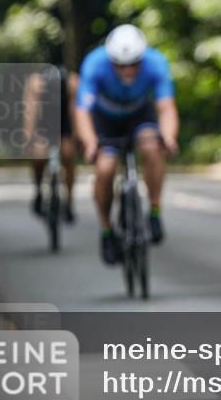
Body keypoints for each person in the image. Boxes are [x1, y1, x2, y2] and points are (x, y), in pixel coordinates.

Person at [74, 25, 179, 265]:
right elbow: (82, 112)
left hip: (139, 116)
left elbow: (166, 107)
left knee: (152, 149)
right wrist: (90, 143)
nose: (128, 70)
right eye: (120, 65)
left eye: (133, 64)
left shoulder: (156, 62)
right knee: (105, 169)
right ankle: (106, 230)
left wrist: (169, 137)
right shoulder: (94, 63)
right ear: (110, 60)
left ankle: (154, 211)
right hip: (104, 120)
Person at [23, 65, 80, 222]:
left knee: (68, 154)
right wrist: (28, 137)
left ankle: (69, 199)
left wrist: (77, 138)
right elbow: (31, 112)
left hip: (64, 121)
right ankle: (39, 191)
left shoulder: (73, 83)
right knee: (39, 156)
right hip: (44, 121)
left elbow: (75, 112)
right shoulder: (35, 83)